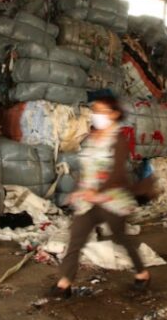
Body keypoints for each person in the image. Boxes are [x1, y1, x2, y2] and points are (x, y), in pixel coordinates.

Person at [49, 95, 151, 298]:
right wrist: (78, 190)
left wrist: (96, 192)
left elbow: (117, 173)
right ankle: (65, 283)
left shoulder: (119, 139)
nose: (96, 115)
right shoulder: (91, 137)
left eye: (102, 111)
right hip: (87, 201)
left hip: (112, 200)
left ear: (114, 114)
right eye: (95, 111)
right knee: (75, 240)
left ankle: (142, 273)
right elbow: (86, 168)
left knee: (120, 238)